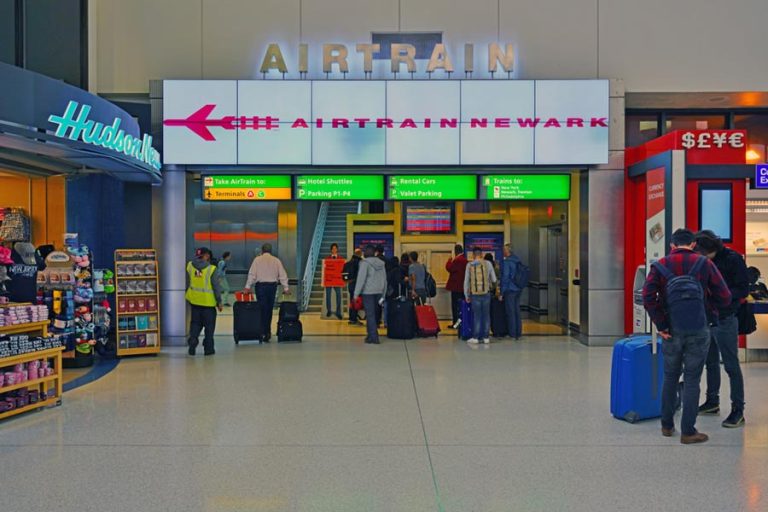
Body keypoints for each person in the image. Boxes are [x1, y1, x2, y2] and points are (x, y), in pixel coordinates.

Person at [642, 229, 732, 444]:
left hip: (671, 329)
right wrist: (712, 311)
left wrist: (661, 324)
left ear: (672, 245)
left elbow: (647, 296)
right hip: (699, 329)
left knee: (670, 376)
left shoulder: (660, 265)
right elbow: (725, 296)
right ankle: (688, 432)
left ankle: (666, 425)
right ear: (693, 244)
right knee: (692, 379)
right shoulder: (704, 263)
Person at [694, 230, 748, 428]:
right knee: (710, 362)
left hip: (726, 317)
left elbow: (743, 289)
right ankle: (712, 401)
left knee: (731, 365)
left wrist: (721, 295)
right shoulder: (704, 261)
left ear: (710, 249)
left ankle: (738, 410)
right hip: (707, 318)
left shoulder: (733, 259)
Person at [242, 243, 290, 343]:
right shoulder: (276, 260)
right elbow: (282, 274)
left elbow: (252, 274)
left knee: (261, 309)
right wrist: (286, 288)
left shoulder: (257, 260)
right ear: (270, 250)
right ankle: (267, 332)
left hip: (261, 287)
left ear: (262, 250)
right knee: (269, 309)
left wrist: (247, 287)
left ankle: (262, 332)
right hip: (272, 287)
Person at [185, 247, 224, 356]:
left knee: (195, 324)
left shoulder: (190, 266)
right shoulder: (211, 269)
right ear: (206, 256)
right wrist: (219, 301)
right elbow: (216, 287)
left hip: (194, 301)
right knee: (209, 327)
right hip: (208, 303)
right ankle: (208, 348)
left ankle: (193, 342)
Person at [353, 245, 387, 344]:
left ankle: (374, 337)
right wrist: (383, 294)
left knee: (370, 315)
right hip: (379, 292)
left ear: (366, 253)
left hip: (368, 292)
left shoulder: (364, 263)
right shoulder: (381, 264)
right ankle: (370, 335)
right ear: (374, 253)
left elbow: (361, 279)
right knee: (375, 315)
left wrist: (356, 294)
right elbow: (385, 280)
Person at [464, 246, 497, 344]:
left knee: (477, 316)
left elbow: (466, 282)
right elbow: (494, 279)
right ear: (481, 254)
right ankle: (486, 337)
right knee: (486, 315)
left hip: (475, 294)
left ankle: (476, 337)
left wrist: (466, 295)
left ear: (473, 255)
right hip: (486, 293)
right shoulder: (488, 264)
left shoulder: (469, 265)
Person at [500, 244, 524, 340]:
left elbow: (505, 278)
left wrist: (502, 292)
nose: (503, 252)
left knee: (510, 312)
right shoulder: (517, 260)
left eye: (504, 250)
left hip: (510, 289)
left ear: (507, 251)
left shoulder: (507, 262)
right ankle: (518, 332)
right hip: (518, 289)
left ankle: (512, 334)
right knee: (517, 311)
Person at [445, 244, 468, 329]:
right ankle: (463, 322)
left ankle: (456, 324)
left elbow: (449, 268)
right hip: (463, 288)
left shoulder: (457, 260)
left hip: (456, 287)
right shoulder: (465, 260)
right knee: (462, 306)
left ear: (455, 251)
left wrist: (449, 261)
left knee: (455, 307)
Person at [343, 249, 363, 325]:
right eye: (361, 254)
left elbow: (344, 275)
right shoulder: (360, 263)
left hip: (350, 285)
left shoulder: (348, 263)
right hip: (357, 285)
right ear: (359, 254)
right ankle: (354, 319)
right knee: (356, 302)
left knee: (352, 301)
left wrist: (347, 281)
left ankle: (352, 318)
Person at [324, 243, 343, 320]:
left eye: (335, 248)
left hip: (337, 280)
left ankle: (338, 312)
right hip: (329, 280)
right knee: (328, 295)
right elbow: (325, 269)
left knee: (339, 295)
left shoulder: (340, 258)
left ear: (337, 249)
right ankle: (329, 310)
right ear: (331, 250)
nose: (334, 250)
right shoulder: (327, 259)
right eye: (333, 248)